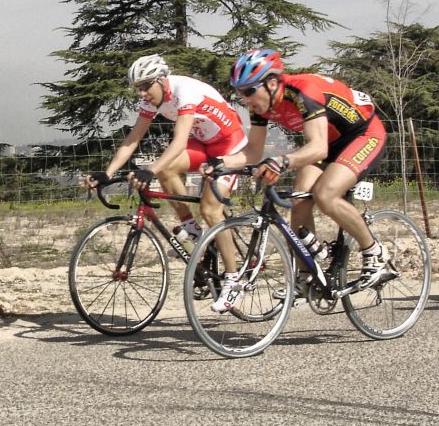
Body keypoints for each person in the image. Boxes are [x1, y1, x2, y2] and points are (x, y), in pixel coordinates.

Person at [210, 48, 389, 302]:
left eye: (249, 91)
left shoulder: (303, 92)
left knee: (325, 194)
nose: (244, 99)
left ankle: (375, 252)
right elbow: (252, 152)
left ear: (272, 83)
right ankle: (307, 277)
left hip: (363, 135)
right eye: (240, 92)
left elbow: (318, 148)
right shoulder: (260, 105)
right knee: (299, 198)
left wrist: (282, 161)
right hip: (329, 141)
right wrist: (218, 162)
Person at [82, 54, 247, 310]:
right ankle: (192, 229)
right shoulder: (152, 100)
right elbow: (133, 139)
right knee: (166, 169)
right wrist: (108, 172)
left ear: (161, 80)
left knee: (210, 210)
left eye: (145, 86)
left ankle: (234, 280)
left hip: (230, 145)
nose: (142, 93)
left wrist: (150, 169)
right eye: (138, 88)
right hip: (204, 143)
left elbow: (179, 142)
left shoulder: (185, 92)